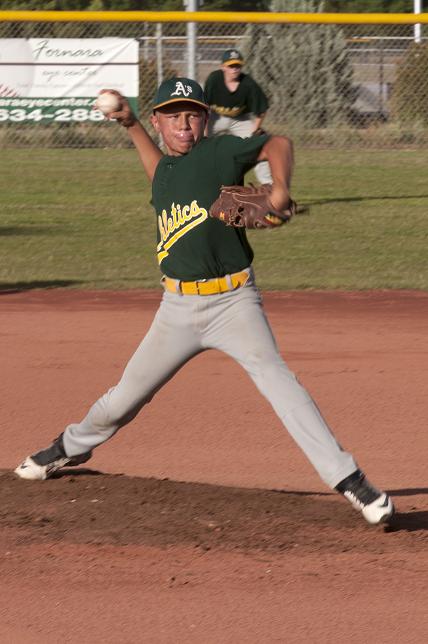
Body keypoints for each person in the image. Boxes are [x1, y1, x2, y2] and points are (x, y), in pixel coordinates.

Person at [15, 78, 394, 526]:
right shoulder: (165, 173)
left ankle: (350, 480)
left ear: (206, 119)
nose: (184, 124)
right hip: (175, 309)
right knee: (123, 400)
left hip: (234, 303)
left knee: (281, 385)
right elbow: (160, 173)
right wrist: (130, 124)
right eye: (173, 115)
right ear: (159, 120)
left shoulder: (218, 153)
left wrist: (279, 188)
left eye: (193, 114)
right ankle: (67, 448)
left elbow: (279, 144)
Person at [204, 48, 272, 185]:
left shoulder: (248, 84)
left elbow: (261, 111)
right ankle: (200, 180)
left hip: (241, 119)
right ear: (223, 67)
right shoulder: (214, 79)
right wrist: (204, 135)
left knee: (259, 144)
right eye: (231, 66)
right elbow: (204, 107)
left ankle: (268, 185)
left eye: (237, 65)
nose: (234, 69)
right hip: (216, 118)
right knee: (198, 144)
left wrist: (254, 133)